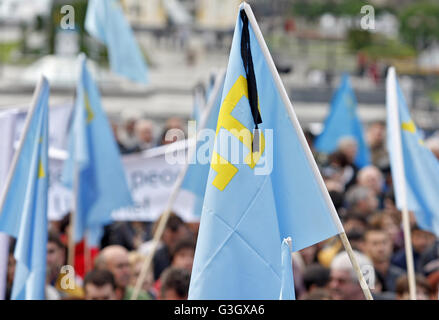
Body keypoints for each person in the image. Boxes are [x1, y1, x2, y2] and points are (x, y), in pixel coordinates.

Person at [364, 227, 404, 293]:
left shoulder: (401, 276)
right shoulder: (362, 277)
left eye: (384, 242)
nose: (381, 248)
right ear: (365, 246)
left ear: (391, 244)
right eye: (375, 243)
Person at [47, 231, 84, 299]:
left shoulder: (76, 288)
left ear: (62, 253)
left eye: (51, 252)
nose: (47, 258)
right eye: (42, 252)